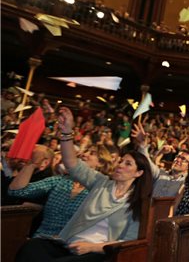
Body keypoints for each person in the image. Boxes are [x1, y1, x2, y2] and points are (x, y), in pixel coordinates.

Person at [16, 107, 153, 261]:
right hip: (68, 245)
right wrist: (67, 131)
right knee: (32, 247)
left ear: (138, 173)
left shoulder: (137, 202)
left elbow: (129, 241)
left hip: (98, 253)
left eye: (128, 164)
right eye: (121, 161)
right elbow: (71, 162)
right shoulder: (101, 183)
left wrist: (93, 247)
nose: (120, 165)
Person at [131, 121, 189, 197]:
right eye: (177, 157)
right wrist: (143, 144)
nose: (178, 160)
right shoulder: (160, 173)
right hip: (150, 207)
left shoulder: (188, 181)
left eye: (183, 159)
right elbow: (146, 163)